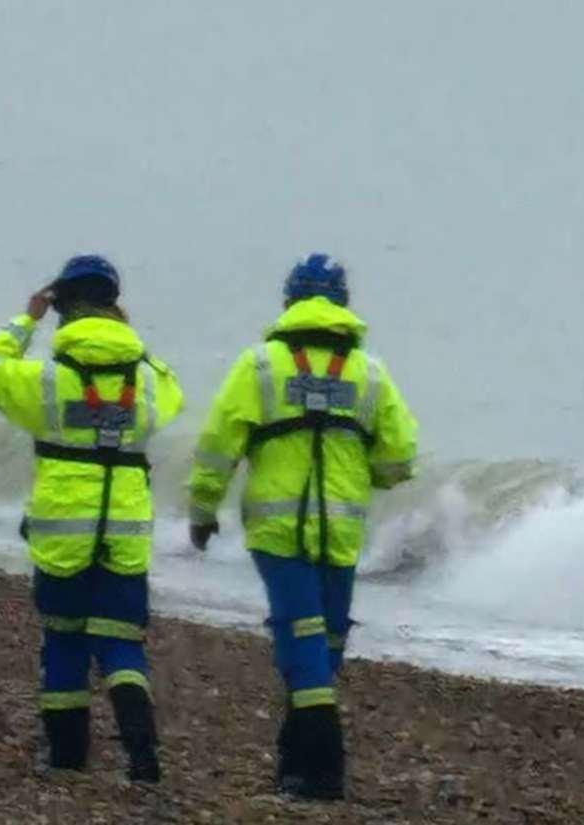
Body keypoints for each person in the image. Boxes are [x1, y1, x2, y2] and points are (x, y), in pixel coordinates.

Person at [187, 253, 418, 799]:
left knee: (313, 643)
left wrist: (203, 510)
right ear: (342, 305)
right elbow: (401, 459)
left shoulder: (260, 366)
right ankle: (323, 769)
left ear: (289, 301)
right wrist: (364, 472)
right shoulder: (370, 373)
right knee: (318, 640)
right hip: (339, 534)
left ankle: (297, 760)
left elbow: (219, 447)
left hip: (276, 531)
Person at [0, 255, 183, 781]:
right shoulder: (145, 379)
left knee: (64, 639)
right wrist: (135, 343)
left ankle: (68, 757)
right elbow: (172, 394)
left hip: (61, 528)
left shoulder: (46, 380)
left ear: (62, 309)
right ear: (115, 306)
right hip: (125, 528)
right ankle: (141, 751)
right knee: (121, 641)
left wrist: (25, 320)